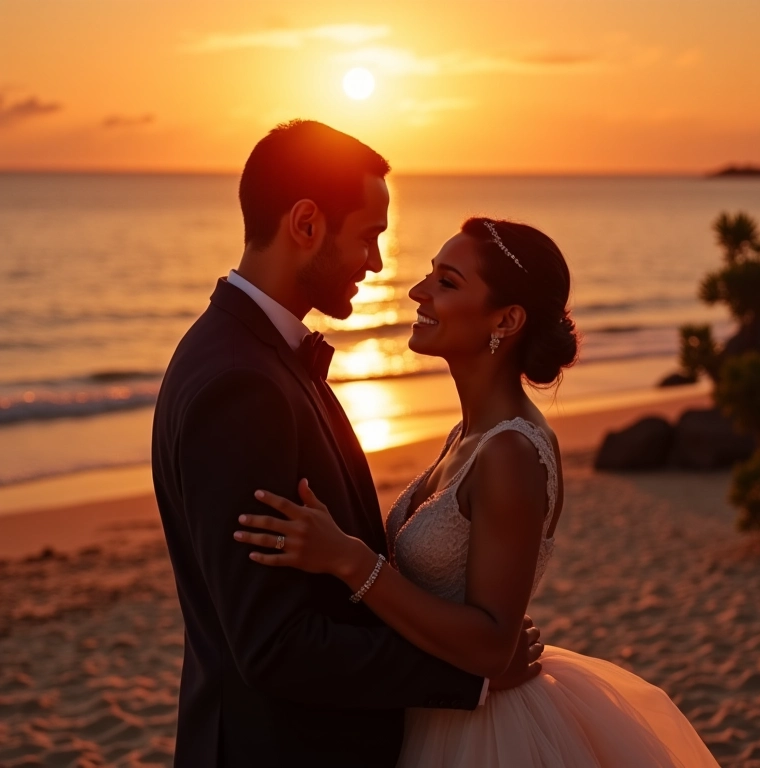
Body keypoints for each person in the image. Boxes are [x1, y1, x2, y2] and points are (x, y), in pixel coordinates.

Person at [234, 218, 720, 766]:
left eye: (446, 282)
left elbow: (492, 644)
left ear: (507, 319)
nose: (418, 292)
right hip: (427, 710)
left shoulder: (511, 454)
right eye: (428, 276)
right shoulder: (467, 437)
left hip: (483, 733)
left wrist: (350, 562)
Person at [151, 120, 544, 768]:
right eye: (369, 236)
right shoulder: (241, 387)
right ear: (306, 224)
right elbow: (275, 644)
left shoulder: (252, 355)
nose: (379, 264)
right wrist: (466, 677)